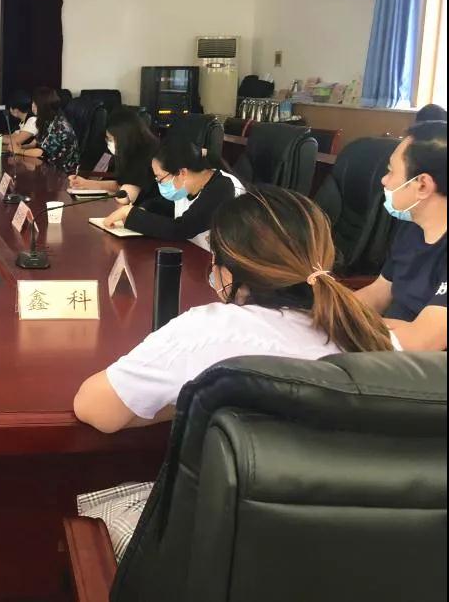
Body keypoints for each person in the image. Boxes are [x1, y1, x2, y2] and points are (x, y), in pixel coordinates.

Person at [72, 186, 396, 561]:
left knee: (86, 510)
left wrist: (198, 399)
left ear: (227, 271)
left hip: (223, 550)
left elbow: (97, 410)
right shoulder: (376, 337)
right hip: (346, 552)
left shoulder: (209, 330)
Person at [355, 120, 446, 351]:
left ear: (422, 185)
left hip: (418, 367)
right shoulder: (412, 228)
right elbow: (379, 293)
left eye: (391, 171)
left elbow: (420, 341)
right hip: (387, 348)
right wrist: (328, 310)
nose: (384, 180)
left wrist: (348, 324)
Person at [99, 138, 244, 250]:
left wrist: (131, 214)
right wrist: (143, 209)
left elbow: (182, 228)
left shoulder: (222, 188)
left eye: (160, 178)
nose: (159, 183)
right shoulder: (189, 184)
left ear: (182, 172)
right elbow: (163, 204)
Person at [68, 107, 160, 206]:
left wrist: (92, 193)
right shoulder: (131, 151)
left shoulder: (144, 157)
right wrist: (85, 183)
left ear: (124, 139)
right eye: (107, 139)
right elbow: (120, 184)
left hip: (148, 210)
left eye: (111, 139)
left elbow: (125, 198)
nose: (108, 143)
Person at [11, 86, 80, 174]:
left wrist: (19, 151)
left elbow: (41, 152)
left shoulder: (59, 126)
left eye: (35, 104)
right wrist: (22, 147)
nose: (32, 106)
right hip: (46, 167)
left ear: (43, 106)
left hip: (62, 173)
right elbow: (35, 143)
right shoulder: (47, 120)